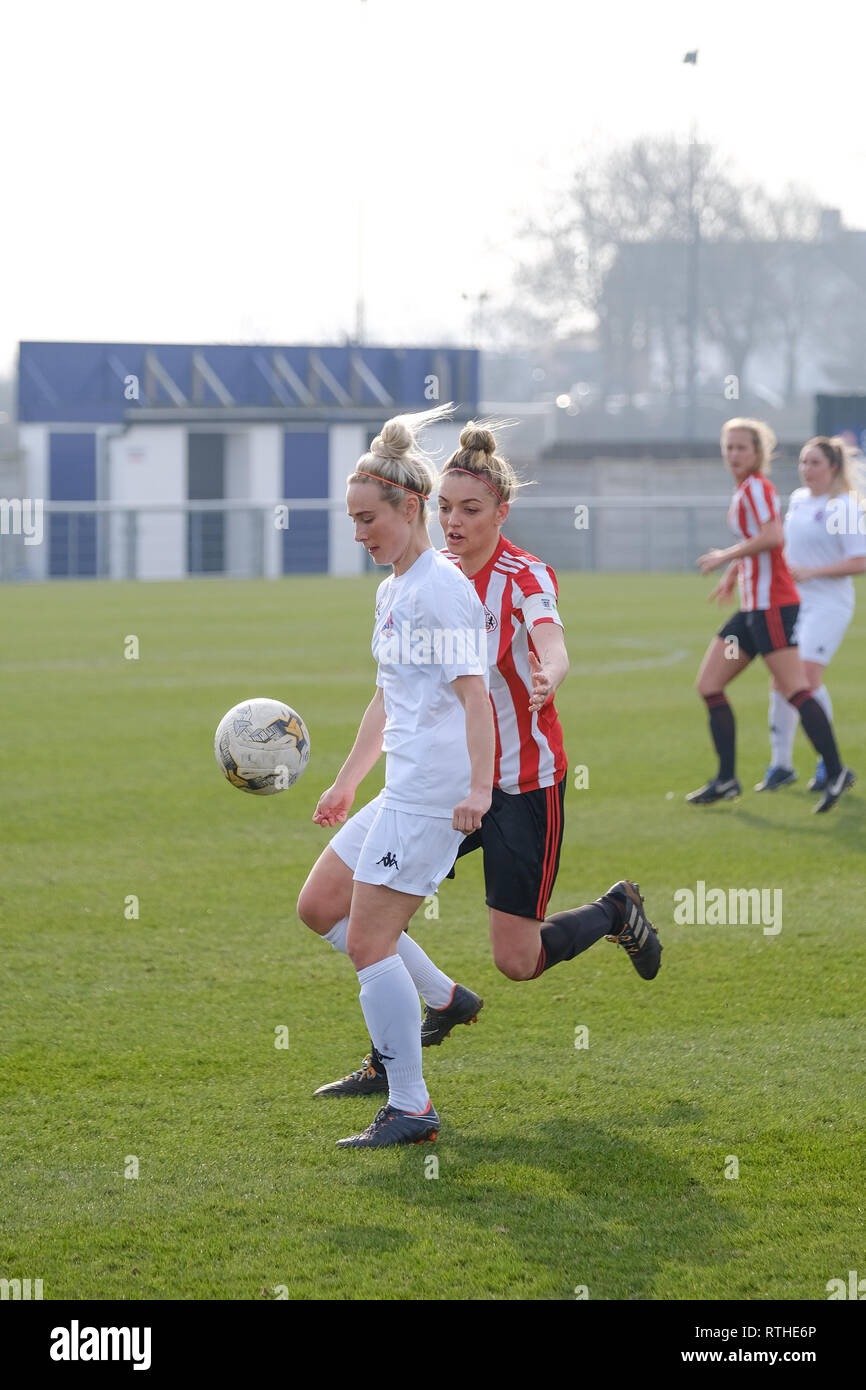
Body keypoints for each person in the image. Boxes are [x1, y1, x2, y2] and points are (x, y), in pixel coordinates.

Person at [303, 422, 661, 1102]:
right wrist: (348, 779)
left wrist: (549, 673)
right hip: (445, 783)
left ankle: (614, 912)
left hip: (516, 783)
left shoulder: (517, 577)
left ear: (502, 511)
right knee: (344, 911)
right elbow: (394, 693)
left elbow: (550, 640)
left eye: (471, 509)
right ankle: (420, 1033)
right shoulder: (417, 578)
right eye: (447, 508)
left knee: (516, 960)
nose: (456, 520)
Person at [297, 405, 495, 1148]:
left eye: (367, 519)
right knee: (321, 906)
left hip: (433, 794)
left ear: (409, 509)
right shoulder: (392, 590)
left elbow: (475, 700)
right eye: (351, 520)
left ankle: (411, 1105)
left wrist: (479, 790)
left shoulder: (439, 590)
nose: (359, 534)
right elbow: (389, 697)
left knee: (368, 945)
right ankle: (444, 997)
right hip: (399, 786)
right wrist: (348, 781)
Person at [687, 418, 854, 814]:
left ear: (758, 453)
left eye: (742, 448)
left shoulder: (758, 487)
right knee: (710, 684)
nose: (733, 455)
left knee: (796, 688)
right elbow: (762, 545)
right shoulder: (746, 489)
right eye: (729, 447)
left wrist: (724, 556)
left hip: (774, 608)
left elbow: (773, 538)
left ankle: (835, 771)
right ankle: (727, 778)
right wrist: (733, 574)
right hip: (752, 610)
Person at [756, 436, 866, 793]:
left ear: (833, 467)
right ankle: (781, 765)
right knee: (781, 679)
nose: (806, 469)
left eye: (814, 462)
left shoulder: (845, 507)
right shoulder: (800, 501)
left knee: (805, 678)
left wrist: (813, 572)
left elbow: (860, 561)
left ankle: (828, 765)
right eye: (803, 462)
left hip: (829, 605)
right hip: (795, 603)